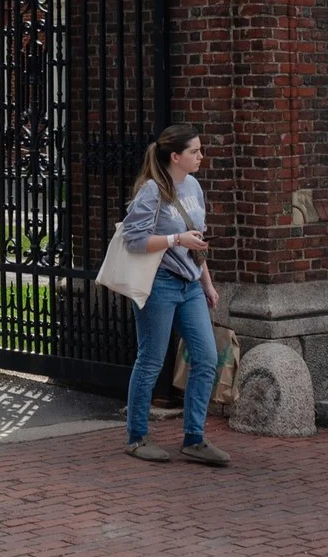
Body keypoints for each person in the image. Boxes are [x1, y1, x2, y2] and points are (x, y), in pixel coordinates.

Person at [118, 123, 228, 465]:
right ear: (175, 156)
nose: (200, 156)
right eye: (194, 151)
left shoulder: (193, 186)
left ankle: (194, 438)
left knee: (206, 357)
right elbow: (133, 240)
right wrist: (175, 240)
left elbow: (198, 240)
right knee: (151, 360)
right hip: (160, 284)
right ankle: (137, 437)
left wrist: (206, 283)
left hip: (191, 283)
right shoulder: (152, 192)